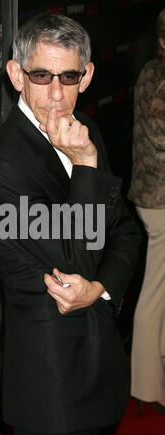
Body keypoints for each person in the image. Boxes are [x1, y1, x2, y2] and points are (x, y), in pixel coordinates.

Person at [0, 13, 140, 435]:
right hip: (48, 382)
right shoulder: (1, 164)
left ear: (86, 77)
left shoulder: (87, 134)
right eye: (41, 75)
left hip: (96, 359)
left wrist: (101, 288)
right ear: (16, 75)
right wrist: (86, 166)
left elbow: (125, 232)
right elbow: (74, 256)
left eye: (68, 76)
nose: (54, 93)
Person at [129, 8, 165, 414]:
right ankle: (145, 384)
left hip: (155, 196)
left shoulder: (155, 73)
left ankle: (157, 367)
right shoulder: (158, 78)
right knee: (155, 292)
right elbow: (159, 136)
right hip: (158, 200)